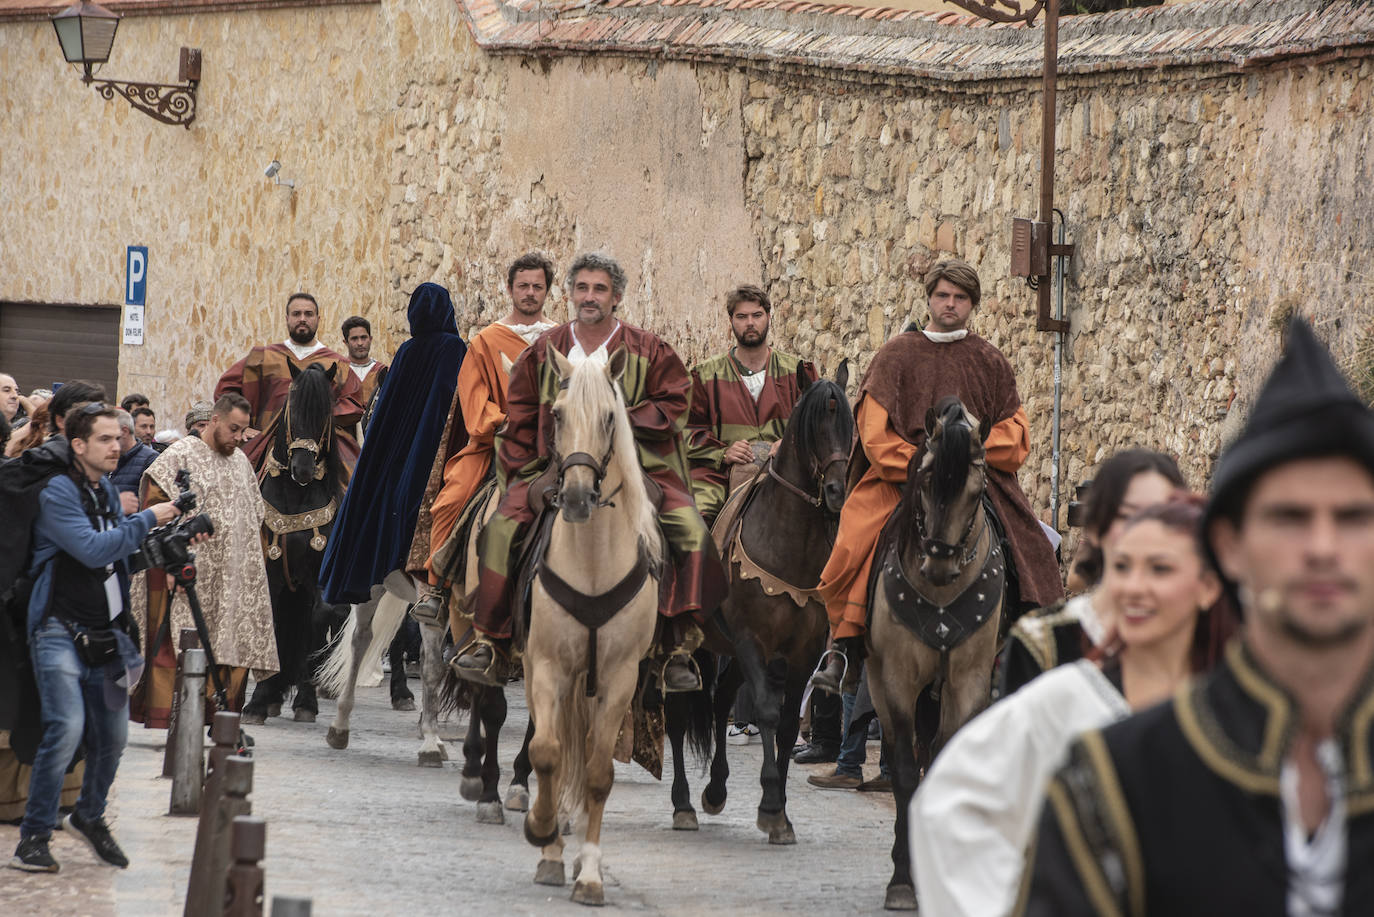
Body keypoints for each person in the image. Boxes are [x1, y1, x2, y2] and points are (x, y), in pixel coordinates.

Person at [1022, 318, 1374, 915]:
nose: (1322, 546)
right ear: (1230, 545)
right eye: (1289, 517)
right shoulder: (1116, 783)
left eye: (1353, 517)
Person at [913, 495, 1232, 916]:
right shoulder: (1065, 700)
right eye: (1121, 567)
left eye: (1160, 568)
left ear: (1209, 585)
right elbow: (947, 807)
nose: (1133, 587)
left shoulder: (1246, 711)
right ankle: (848, 634)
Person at [455, 253, 728, 691]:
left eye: (599, 289)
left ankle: (677, 645)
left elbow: (675, 402)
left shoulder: (649, 350)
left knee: (693, 532)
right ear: (569, 294)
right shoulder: (543, 351)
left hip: (639, 469)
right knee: (500, 528)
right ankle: (491, 640)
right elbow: (520, 415)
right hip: (552, 466)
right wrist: (528, 474)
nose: (589, 297)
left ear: (616, 296)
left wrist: (617, 419)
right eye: (582, 288)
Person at [812, 259, 1064, 693]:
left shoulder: (989, 360)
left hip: (974, 479)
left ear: (972, 304)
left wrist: (964, 456)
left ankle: (1028, 643)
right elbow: (873, 435)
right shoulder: (895, 355)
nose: (951, 304)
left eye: (960, 298)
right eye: (943, 296)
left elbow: (1017, 435)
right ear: (929, 299)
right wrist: (921, 465)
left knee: (1034, 547)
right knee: (853, 543)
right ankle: (843, 647)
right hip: (901, 481)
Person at [9, 403, 186, 873]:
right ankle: (34, 836)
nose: (118, 445)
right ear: (79, 445)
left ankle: (88, 815)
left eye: (119, 438)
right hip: (57, 630)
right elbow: (90, 549)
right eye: (107, 439)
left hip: (104, 633)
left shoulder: (106, 492)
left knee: (112, 737)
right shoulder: (58, 493)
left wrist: (170, 540)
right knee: (65, 728)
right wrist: (150, 518)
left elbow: (117, 561)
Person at [414, 253, 557, 619]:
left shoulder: (561, 340)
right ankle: (437, 588)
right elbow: (473, 400)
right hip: (497, 446)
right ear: (510, 289)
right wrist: (503, 423)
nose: (529, 293)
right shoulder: (485, 341)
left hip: (556, 448)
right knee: (451, 498)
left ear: (547, 291)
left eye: (537, 286)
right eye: (523, 286)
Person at [129, 394, 276, 724]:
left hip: (229, 577)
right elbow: (154, 507)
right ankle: (177, 715)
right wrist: (165, 564)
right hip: (185, 575)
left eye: (243, 432)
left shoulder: (241, 462)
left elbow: (256, 516)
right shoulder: (179, 455)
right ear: (214, 421)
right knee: (182, 642)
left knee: (227, 642)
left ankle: (219, 718)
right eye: (233, 429)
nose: (238, 438)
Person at [320, 284, 467, 606]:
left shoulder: (406, 351)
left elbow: (387, 412)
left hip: (396, 458)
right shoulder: (455, 348)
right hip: (434, 454)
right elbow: (450, 402)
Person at [998, 449, 1184, 696]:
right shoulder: (1041, 642)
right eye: (1128, 515)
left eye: (1161, 515)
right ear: (1098, 527)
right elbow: (1074, 580)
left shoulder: (1197, 638)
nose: (1144, 529)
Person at [686, 284, 818, 526]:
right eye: (742, 317)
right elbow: (686, 431)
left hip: (788, 472)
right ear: (731, 321)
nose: (750, 323)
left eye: (757, 315)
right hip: (721, 476)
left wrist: (791, 443)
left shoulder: (798, 372)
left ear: (768, 317)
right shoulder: (704, 376)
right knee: (696, 525)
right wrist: (723, 453)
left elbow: (820, 425)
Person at [214, 292, 365, 475]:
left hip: (321, 447)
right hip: (267, 445)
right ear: (287, 318)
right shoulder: (263, 357)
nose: (302, 319)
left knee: (355, 481)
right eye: (296, 314)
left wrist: (317, 416)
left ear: (318, 319)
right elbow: (226, 391)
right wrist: (242, 426)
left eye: (308, 314)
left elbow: (355, 403)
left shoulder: (338, 365)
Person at [108, 410, 159, 504]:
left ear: (124, 431)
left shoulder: (150, 459)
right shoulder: (107, 456)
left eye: (109, 436)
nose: (148, 431)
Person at [341, 315, 389, 413]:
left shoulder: (383, 372)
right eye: (354, 339)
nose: (360, 343)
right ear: (345, 342)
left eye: (363, 338)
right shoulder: (338, 372)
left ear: (370, 339)